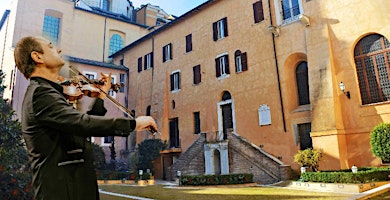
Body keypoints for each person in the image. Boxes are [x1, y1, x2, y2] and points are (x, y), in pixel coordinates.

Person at [14, 36, 158, 200]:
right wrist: (134, 124)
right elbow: (82, 123)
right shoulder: (41, 94)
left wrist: (101, 95)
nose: (58, 49)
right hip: (62, 192)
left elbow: (78, 130)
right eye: (51, 46)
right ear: (37, 56)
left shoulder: (49, 93)